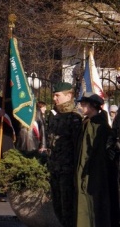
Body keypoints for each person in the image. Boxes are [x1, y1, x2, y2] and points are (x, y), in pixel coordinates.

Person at [76, 92, 118, 227]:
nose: (80, 107)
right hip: (86, 174)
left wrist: (86, 175)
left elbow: (98, 157)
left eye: (83, 104)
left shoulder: (100, 127)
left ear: (92, 106)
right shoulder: (87, 123)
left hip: (94, 176)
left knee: (96, 209)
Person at [46, 82, 83, 227]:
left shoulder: (75, 117)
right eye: (54, 95)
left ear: (69, 95)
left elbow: (78, 147)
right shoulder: (55, 116)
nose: (54, 98)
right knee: (58, 208)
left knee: (69, 209)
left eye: (57, 95)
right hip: (55, 169)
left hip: (68, 171)